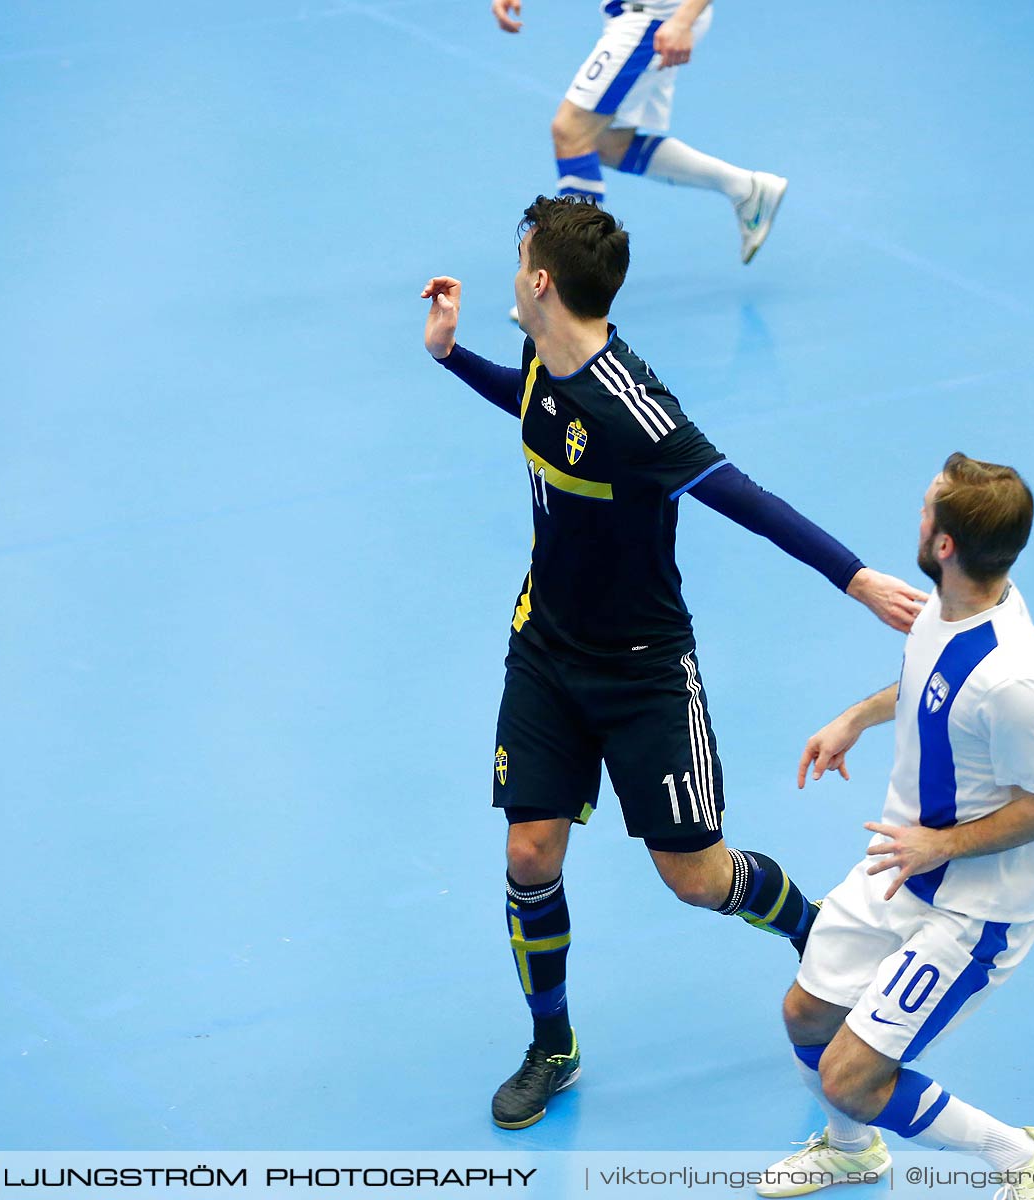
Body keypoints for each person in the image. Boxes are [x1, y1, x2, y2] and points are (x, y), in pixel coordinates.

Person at [420, 195, 926, 1130]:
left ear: (539, 282)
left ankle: (817, 933)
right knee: (530, 851)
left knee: (694, 877)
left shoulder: (636, 411)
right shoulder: (542, 353)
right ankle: (552, 1044)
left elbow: (747, 498)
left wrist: (856, 579)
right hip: (545, 648)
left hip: (644, 669)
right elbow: (532, 405)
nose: (510, 270)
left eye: (517, 256)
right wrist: (451, 357)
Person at [754, 454, 1034, 1199]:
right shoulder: (943, 606)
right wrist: (855, 719)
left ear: (943, 545)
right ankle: (852, 1152)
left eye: (928, 505)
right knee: (806, 1013)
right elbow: (926, 682)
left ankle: (1022, 1153)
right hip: (903, 868)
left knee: (850, 1077)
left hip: (974, 909)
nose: (919, 511)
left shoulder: (1019, 677)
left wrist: (944, 844)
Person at [490, 0, 788, 264]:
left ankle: (572, 272)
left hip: (656, 20)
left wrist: (683, 20)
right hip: (640, 18)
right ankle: (746, 189)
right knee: (603, 143)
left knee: (572, 130)